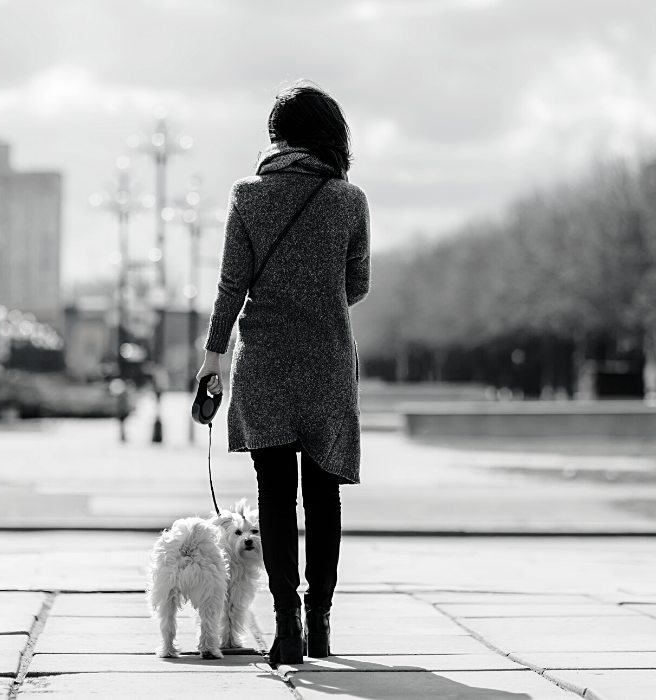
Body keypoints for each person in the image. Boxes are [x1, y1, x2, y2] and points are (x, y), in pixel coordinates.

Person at [197, 80, 370, 665]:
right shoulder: (350, 200)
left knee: (275, 496)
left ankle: (286, 625)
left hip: (264, 365)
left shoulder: (247, 196)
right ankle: (320, 622)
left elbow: (230, 287)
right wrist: (316, 293)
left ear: (277, 137)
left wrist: (213, 355)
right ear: (331, 135)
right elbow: (358, 286)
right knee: (323, 497)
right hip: (325, 364)